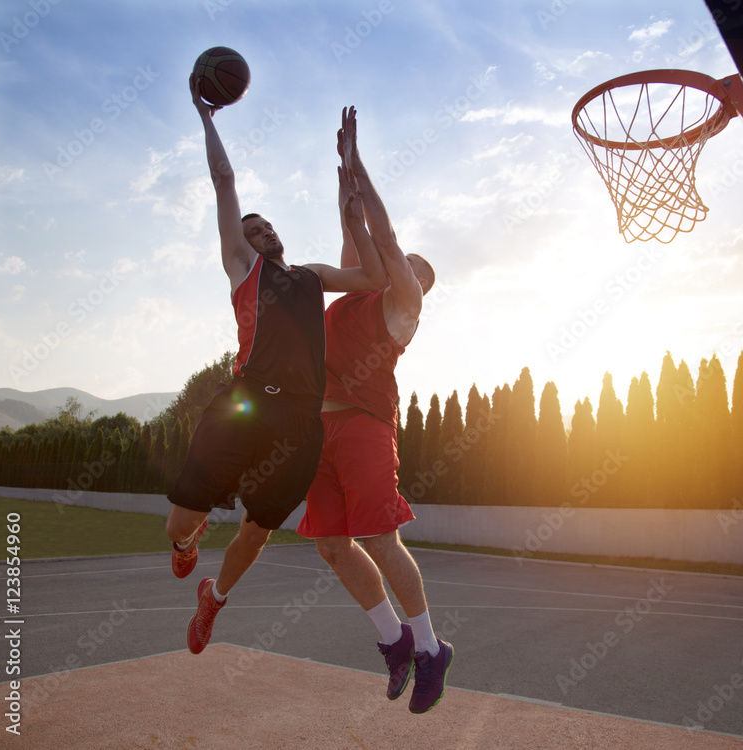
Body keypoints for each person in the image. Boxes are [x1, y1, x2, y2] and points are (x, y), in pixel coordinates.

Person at [166, 79, 388, 657]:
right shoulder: (244, 271)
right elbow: (224, 181)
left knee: (257, 529)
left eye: (267, 227)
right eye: (253, 230)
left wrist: (353, 211)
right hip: (245, 404)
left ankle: (213, 599)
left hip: (298, 421)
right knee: (175, 526)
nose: (263, 233)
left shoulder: (310, 276)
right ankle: (188, 543)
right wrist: (206, 117)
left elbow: (372, 278)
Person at [296, 106, 450, 714]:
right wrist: (344, 181)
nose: (398, 260)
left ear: (417, 280)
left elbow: (381, 239)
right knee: (332, 545)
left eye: (409, 263)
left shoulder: (403, 302)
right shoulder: (361, 284)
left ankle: (433, 649)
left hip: (363, 426)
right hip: (320, 425)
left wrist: (362, 165)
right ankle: (394, 641)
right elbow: (357, 231)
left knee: (379, 539)